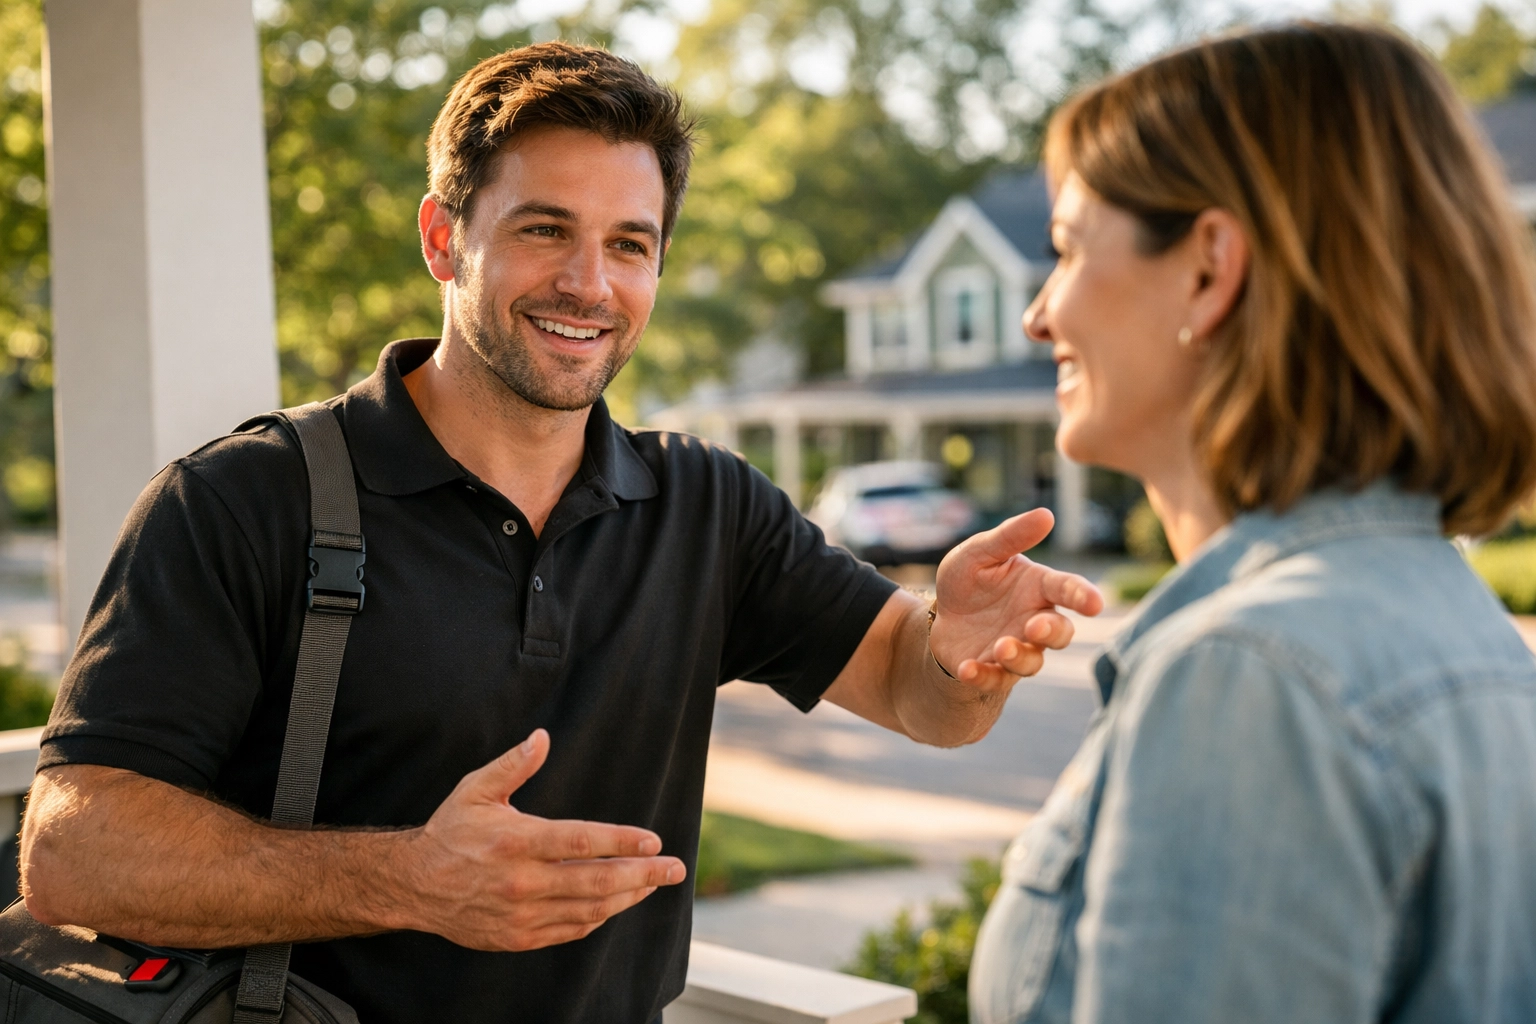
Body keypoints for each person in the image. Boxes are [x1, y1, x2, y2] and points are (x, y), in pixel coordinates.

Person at [18, 42, 1102, 1024]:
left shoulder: (708, 507)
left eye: (630, 244)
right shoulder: (238, 501)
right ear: (445, 239)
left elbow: (917, 689)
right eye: (545, 230)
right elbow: (74, 852)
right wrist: (413, 876)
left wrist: (963, 653)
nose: (591, 283)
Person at [968, 20, 1536, 1024]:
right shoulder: (1466, 628)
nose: (1039, 316)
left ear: (1208, 268)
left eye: (1066, 251)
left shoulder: (1252, 673)